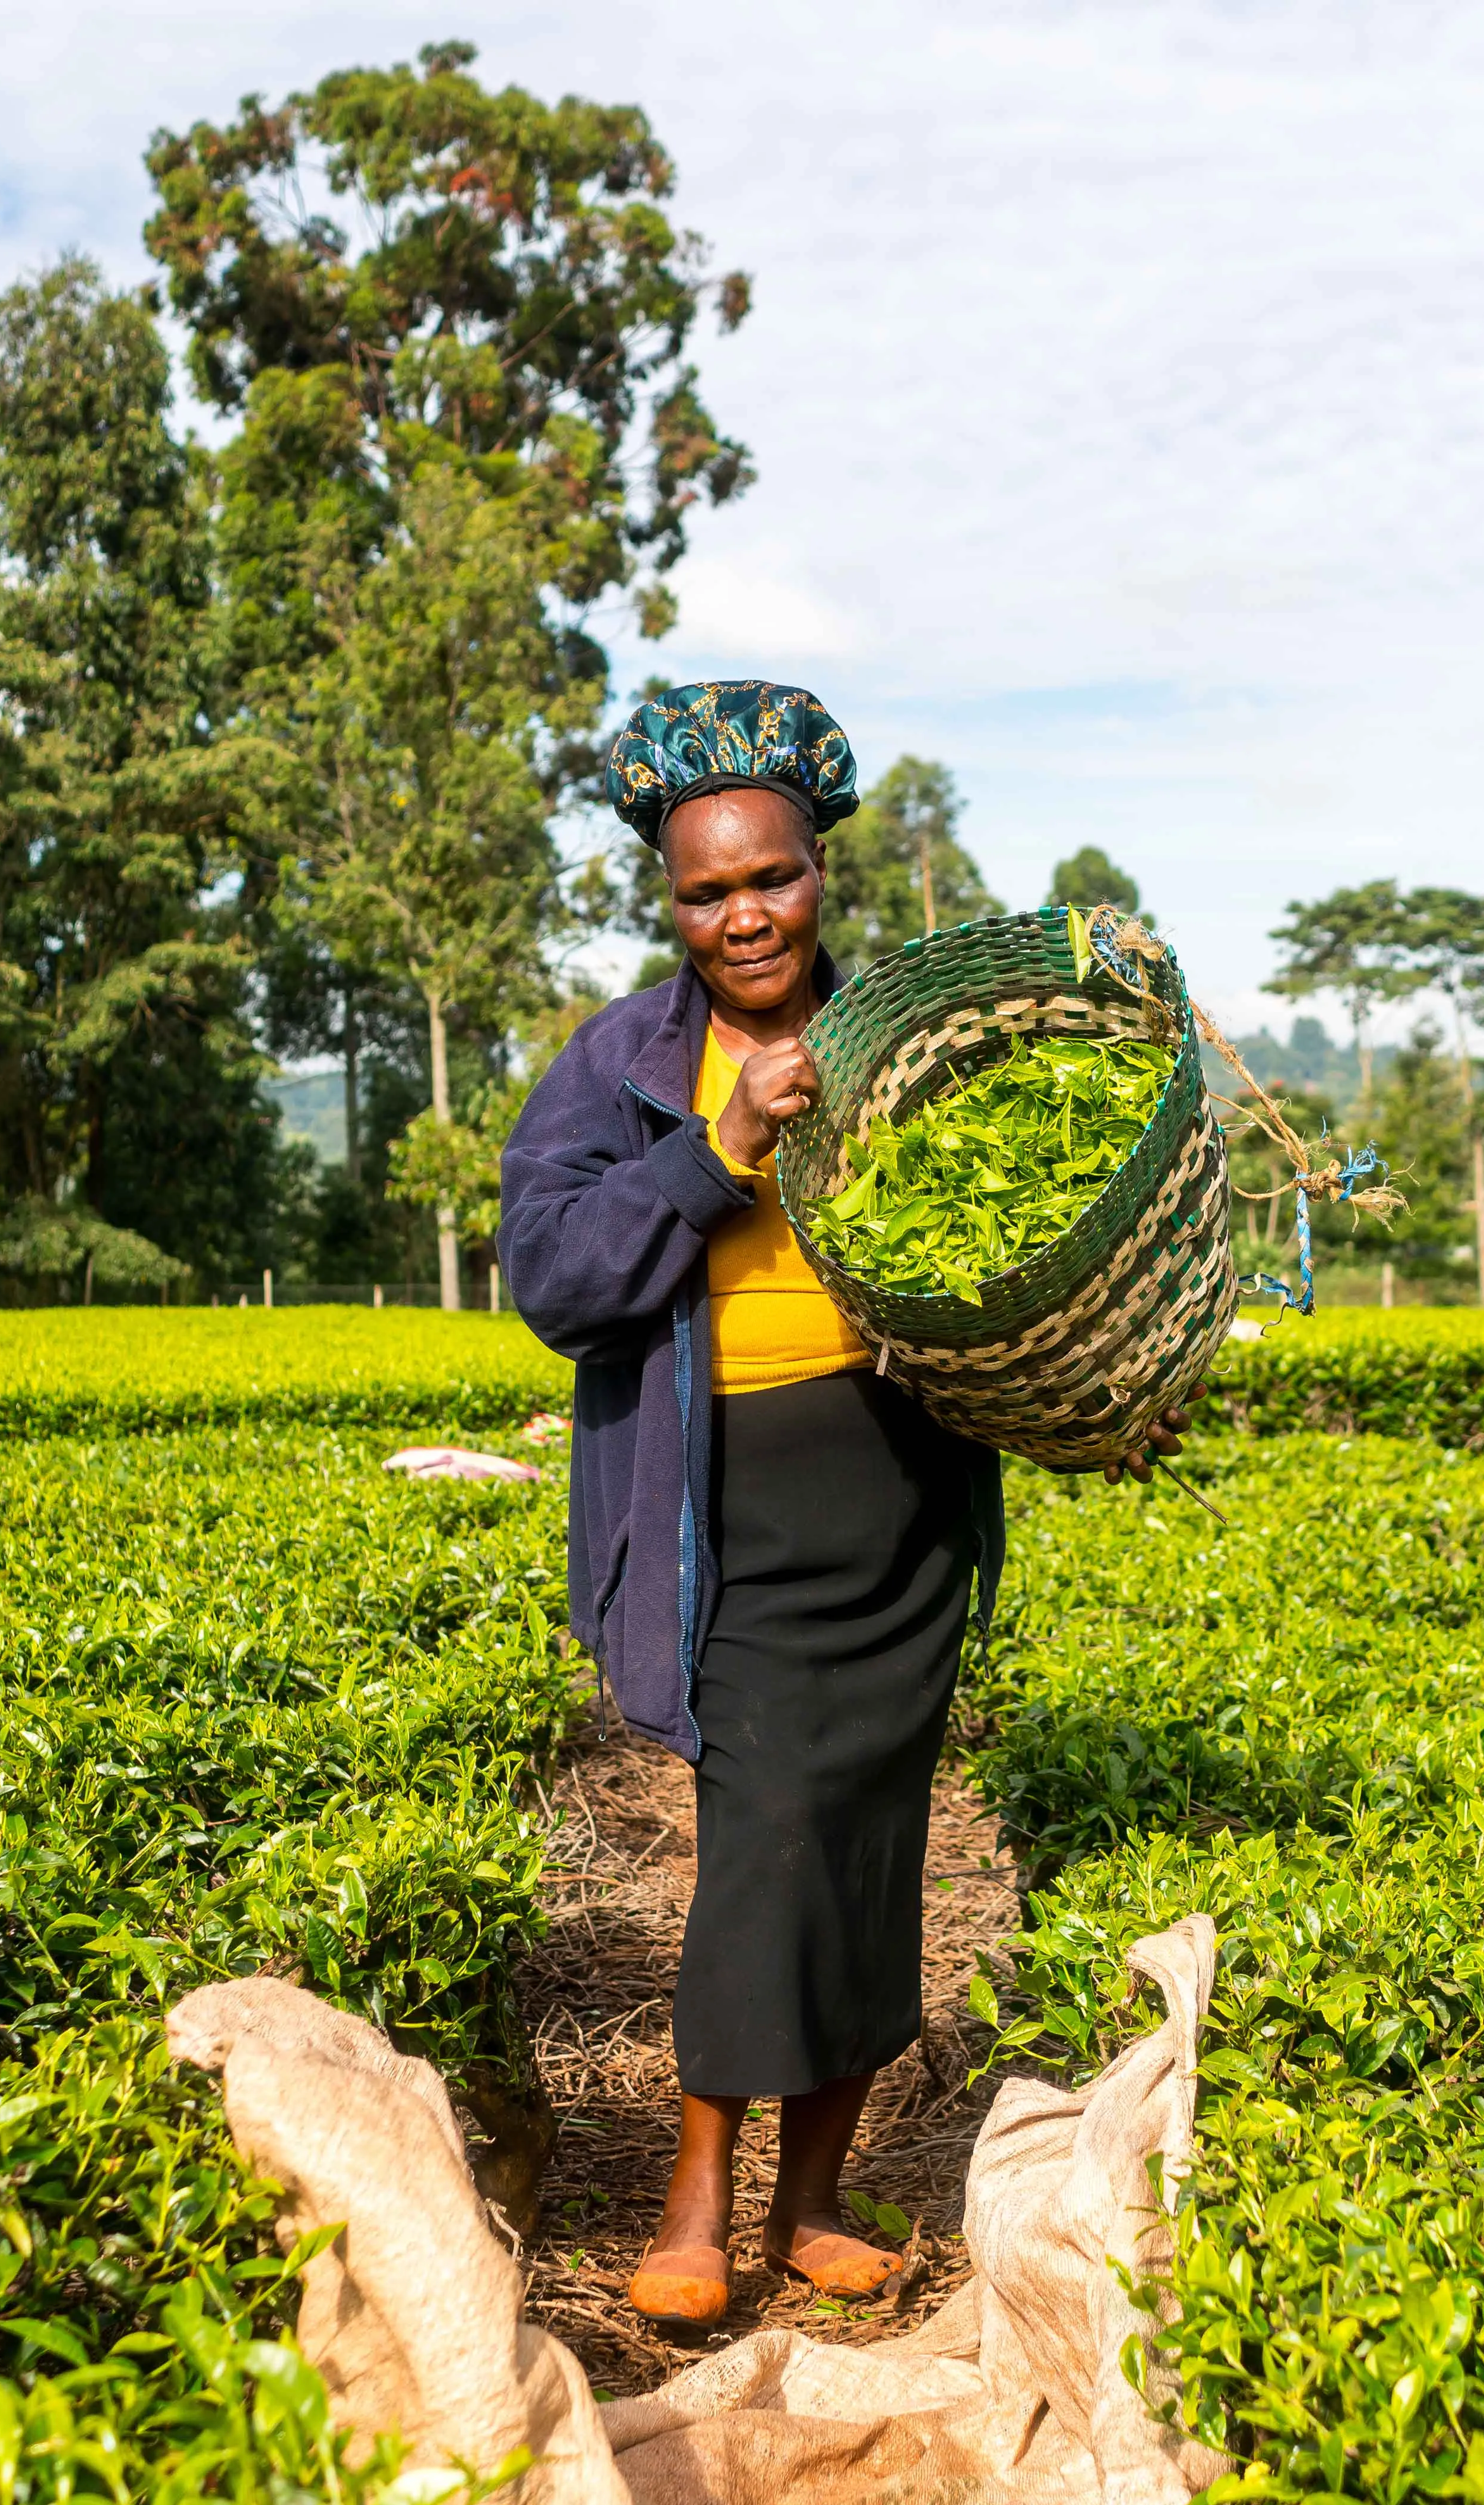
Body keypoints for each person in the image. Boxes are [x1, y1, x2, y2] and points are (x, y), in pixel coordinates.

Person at [498, 679, 1002, 2332]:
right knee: (758, 1849)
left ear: (819, 868)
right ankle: (694, 2198)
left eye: (769, 878)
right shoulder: (622, 1065)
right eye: (707, 890)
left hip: (901, 1498)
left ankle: (814, 2204)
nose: (744, 916)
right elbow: (554, 1276)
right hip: (728, 1511)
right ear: (671, 896)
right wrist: (711, 1154)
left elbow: (1010, 1267)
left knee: (867, 1849)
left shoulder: (913, 1047)